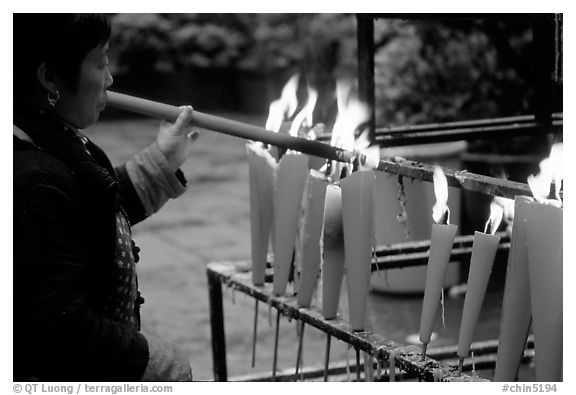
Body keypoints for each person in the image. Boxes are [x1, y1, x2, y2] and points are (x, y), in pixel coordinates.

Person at [13, 14, 197, 381]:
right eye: (100, 62)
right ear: (49, 77)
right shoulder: (33, 180)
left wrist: (161, 161)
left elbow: (88, 223)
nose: (109, 79)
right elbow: (62, 328)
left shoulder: (48, 140)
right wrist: (160, 364)